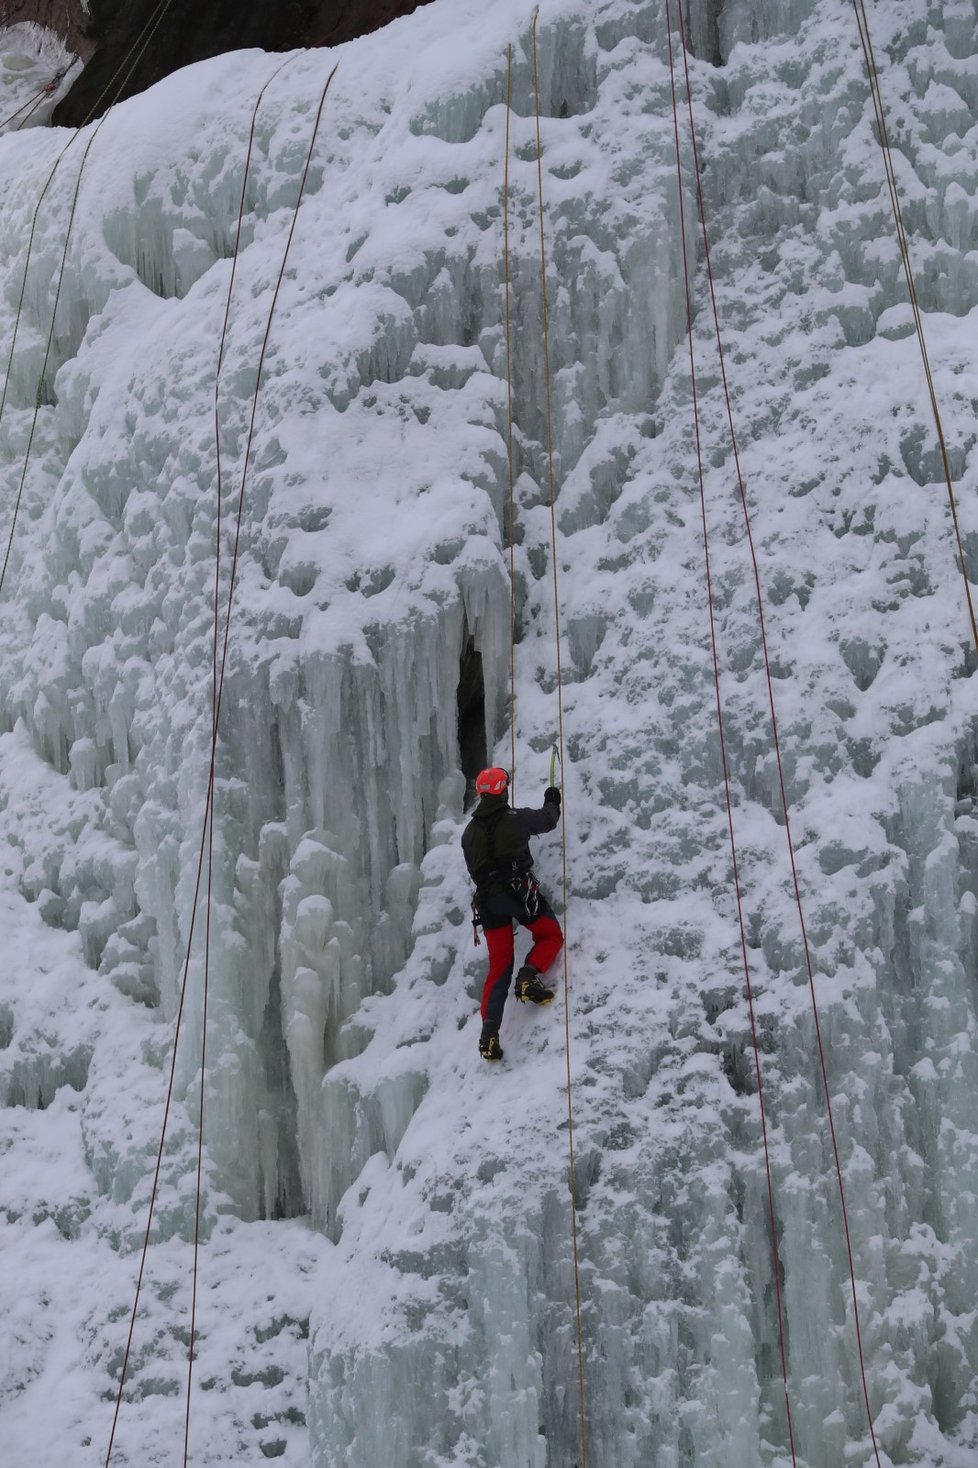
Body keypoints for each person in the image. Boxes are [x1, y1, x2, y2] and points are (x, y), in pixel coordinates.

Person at [462, 766, 563, 1062]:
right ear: (502, 791)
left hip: (488, 902)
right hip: (519, 894)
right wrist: (552, 799)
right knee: (550, 934)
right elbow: (547, 820)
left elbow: (475, 868)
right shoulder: (514, 819)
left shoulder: (468, 834)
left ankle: (489, 1035)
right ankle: (528, 977)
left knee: (499, 965)